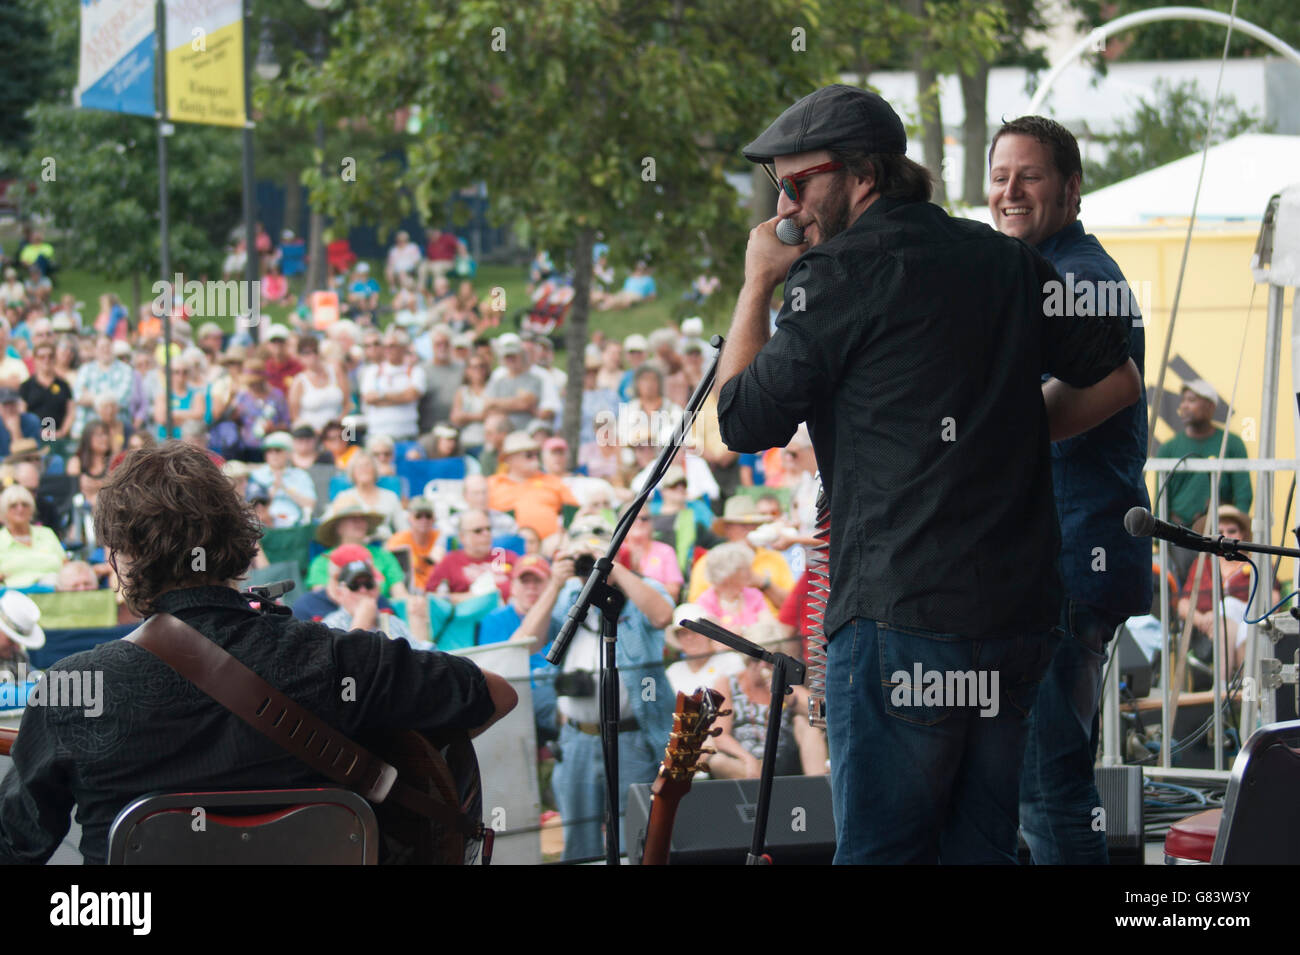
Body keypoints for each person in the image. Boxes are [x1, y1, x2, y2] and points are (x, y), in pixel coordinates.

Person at [716, 84, 1141, 864]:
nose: (787, 205)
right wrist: (1001, 436)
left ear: (860, 176)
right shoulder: (1004, 259)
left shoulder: (837, 274)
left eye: (797, 182)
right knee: (978, 851)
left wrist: (756, 280)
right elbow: (1117, 378)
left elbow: (739, 421)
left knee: (884, 852)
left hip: (901, 612)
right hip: (1014, 616)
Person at [0, 442, 516, 864]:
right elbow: (498, 695)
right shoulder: (340, 661)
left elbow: (16, 846)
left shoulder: (74, 690)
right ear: (239, 541)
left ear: (125, 559)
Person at [988, 115, 1155, 866]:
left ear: (1072, 188)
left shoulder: (1078, 279)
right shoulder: (1045, 271)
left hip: (1066, 559)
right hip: (1065, 557)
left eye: (1029, 175)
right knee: (1045, 776)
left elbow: (1099, 399)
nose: (1010, 191)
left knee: (1044, 781)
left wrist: (973, 431)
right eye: (999, 176)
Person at [511, 524, 673, 861]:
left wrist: (613, 566)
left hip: (632, 737)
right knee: (579, 840)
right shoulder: (569, 597)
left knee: (635, 836)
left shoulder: (639, 590)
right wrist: (556, 583)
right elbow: (525, 643)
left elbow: (661, 616)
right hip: (577, 739)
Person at [1156, 378, 1253, 581]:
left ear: (1210, 406)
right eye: (1183, 401)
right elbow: (1161, 497)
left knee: (1218, 591)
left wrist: (1239, 532)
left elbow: (1243, 494)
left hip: (1218, 535)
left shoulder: (1232, 443)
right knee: (1182, 594)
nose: (1184, 406)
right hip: (1180, 535)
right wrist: (1161, 535)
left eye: (1191, 400)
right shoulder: (1168, 448)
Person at [424, 509, 518, 603]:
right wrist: (468, 597)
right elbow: (430, 597)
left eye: (488, 529)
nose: (486, 534)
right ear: (462, 537)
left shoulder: (507, 557)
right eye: (478, 531)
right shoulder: (450, 561)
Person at [0, 483, 66, 589]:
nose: (20, 509)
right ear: (4, 511)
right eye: (13, 505)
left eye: (25, 504)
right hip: (12, 593)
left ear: (32, 509)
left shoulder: (46, 533)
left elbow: (66, 565)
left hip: (54, 588)